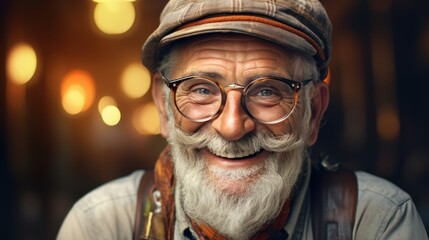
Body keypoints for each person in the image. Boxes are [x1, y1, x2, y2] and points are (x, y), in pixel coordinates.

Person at [57, 0, 428, 239]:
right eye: (201, 89)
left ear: (313, 113)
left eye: (267, 90)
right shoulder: (101, 226)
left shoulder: (376, 222)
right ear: (163, 107)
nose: (232, 127)